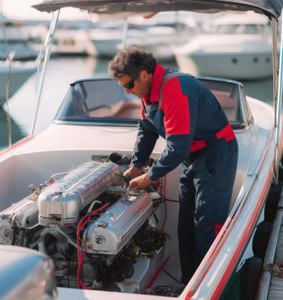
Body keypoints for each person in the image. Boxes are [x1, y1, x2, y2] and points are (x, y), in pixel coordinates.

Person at [108, 46, 238, 284]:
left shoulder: (175, 88)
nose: (128, 92)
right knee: (185, 223)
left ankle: (208, 285)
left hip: (216, 153)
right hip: (191, 156)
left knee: (207, 224)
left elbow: (177, 146)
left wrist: (149, 177)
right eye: (123, 87)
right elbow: (146, 131)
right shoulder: (147, 92)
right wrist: (136, 165)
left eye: (129, 85)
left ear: (145, 75)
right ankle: (188, 281)